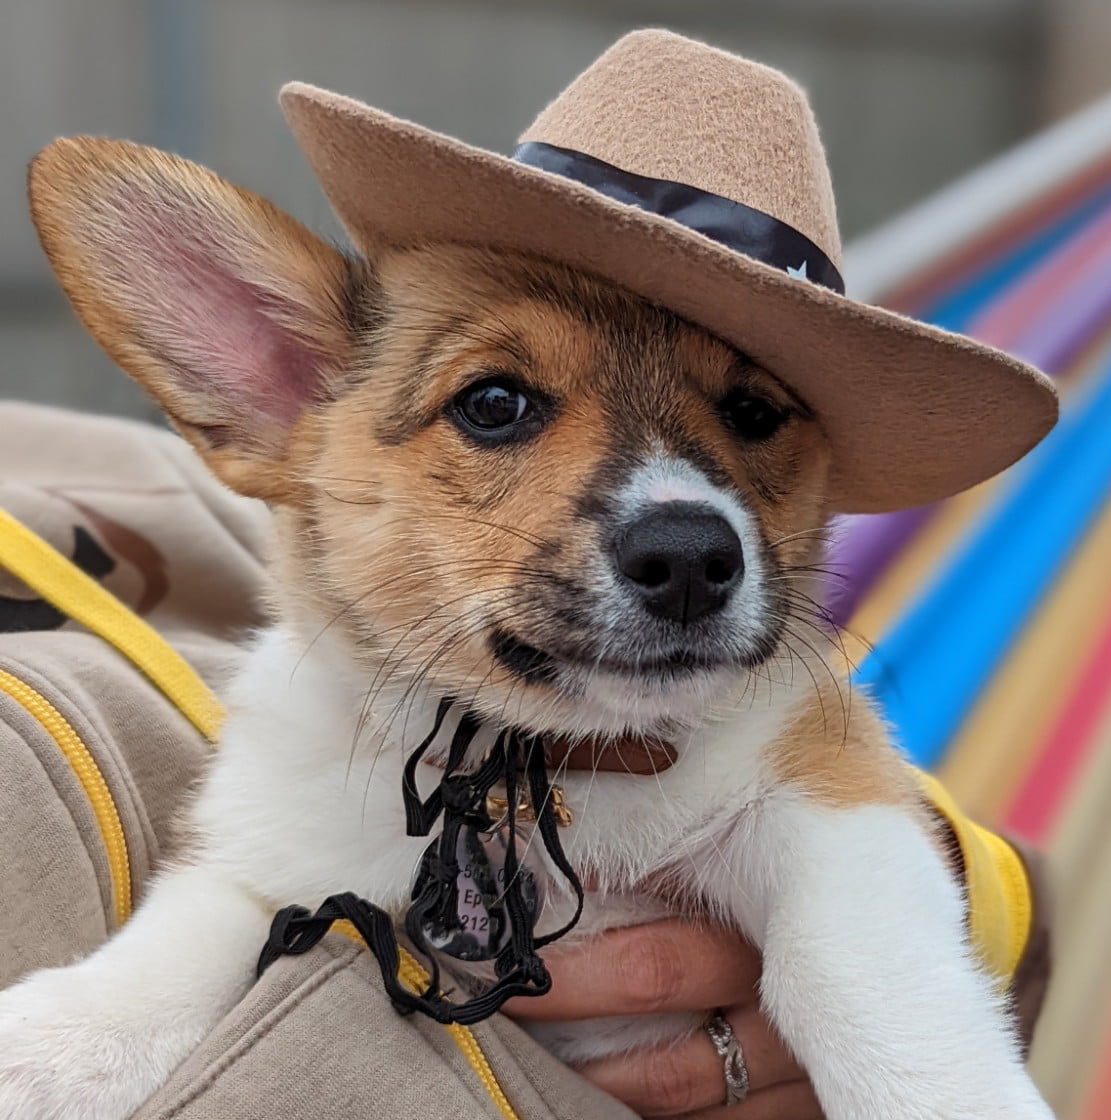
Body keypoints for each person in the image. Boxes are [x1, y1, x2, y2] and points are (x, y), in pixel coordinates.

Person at [0, 398, 1048, 1118]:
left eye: (748, 411)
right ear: (281, 384)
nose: (687, 531)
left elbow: (842, 827)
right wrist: (97, 1031)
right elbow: (243, 888)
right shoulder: (305, 722)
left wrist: (922, 1038)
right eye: (498, 404)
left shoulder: (770, 725)